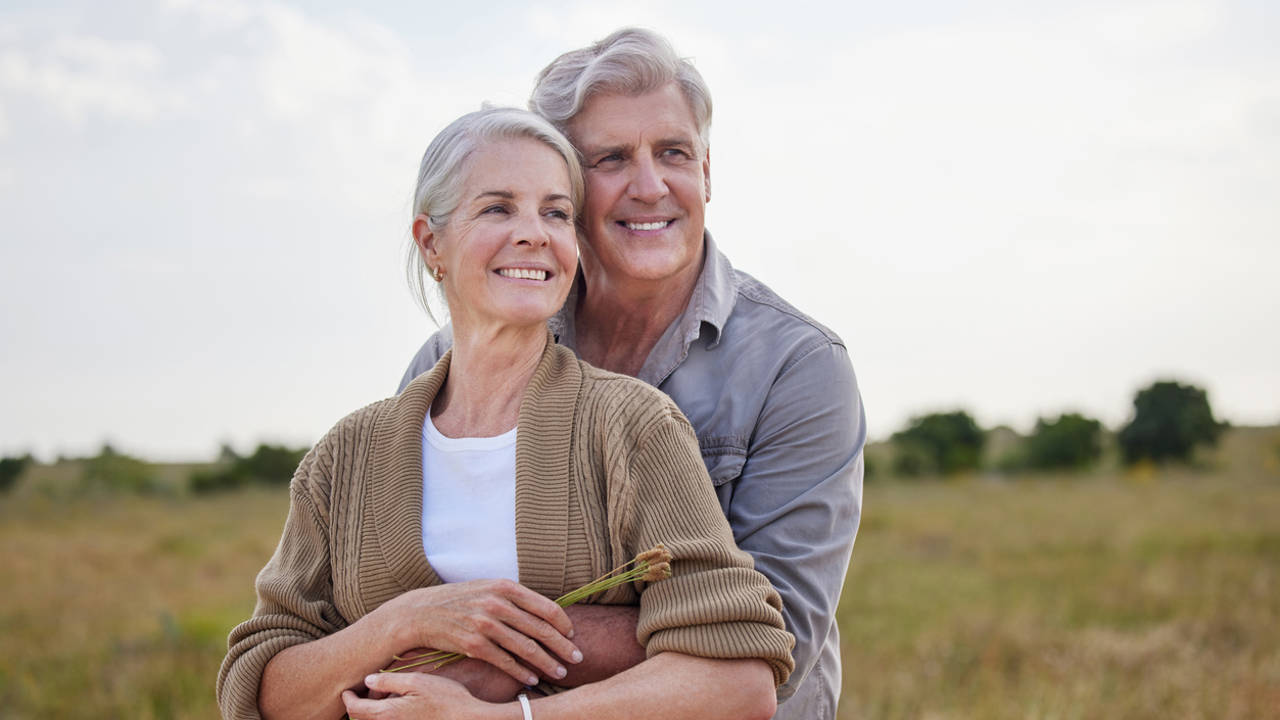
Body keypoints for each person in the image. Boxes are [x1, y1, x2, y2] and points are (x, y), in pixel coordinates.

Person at [216, 107, 794, 720]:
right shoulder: (347, 455)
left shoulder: (632, 427)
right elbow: (262, 694)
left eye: (556, 213)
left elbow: (738, 684)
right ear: (430, 241)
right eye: (497, 208)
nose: (534, 233)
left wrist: (498, 714)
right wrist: (402, 622)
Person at [399, 28, 866, 720]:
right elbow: (383, 596)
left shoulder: (798, 368)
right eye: (612, 159)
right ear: (562, 184)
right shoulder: (445, 366)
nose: (650, 187)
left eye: (673, 153)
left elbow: (775, 644)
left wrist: (486, 639)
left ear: (706, 170)